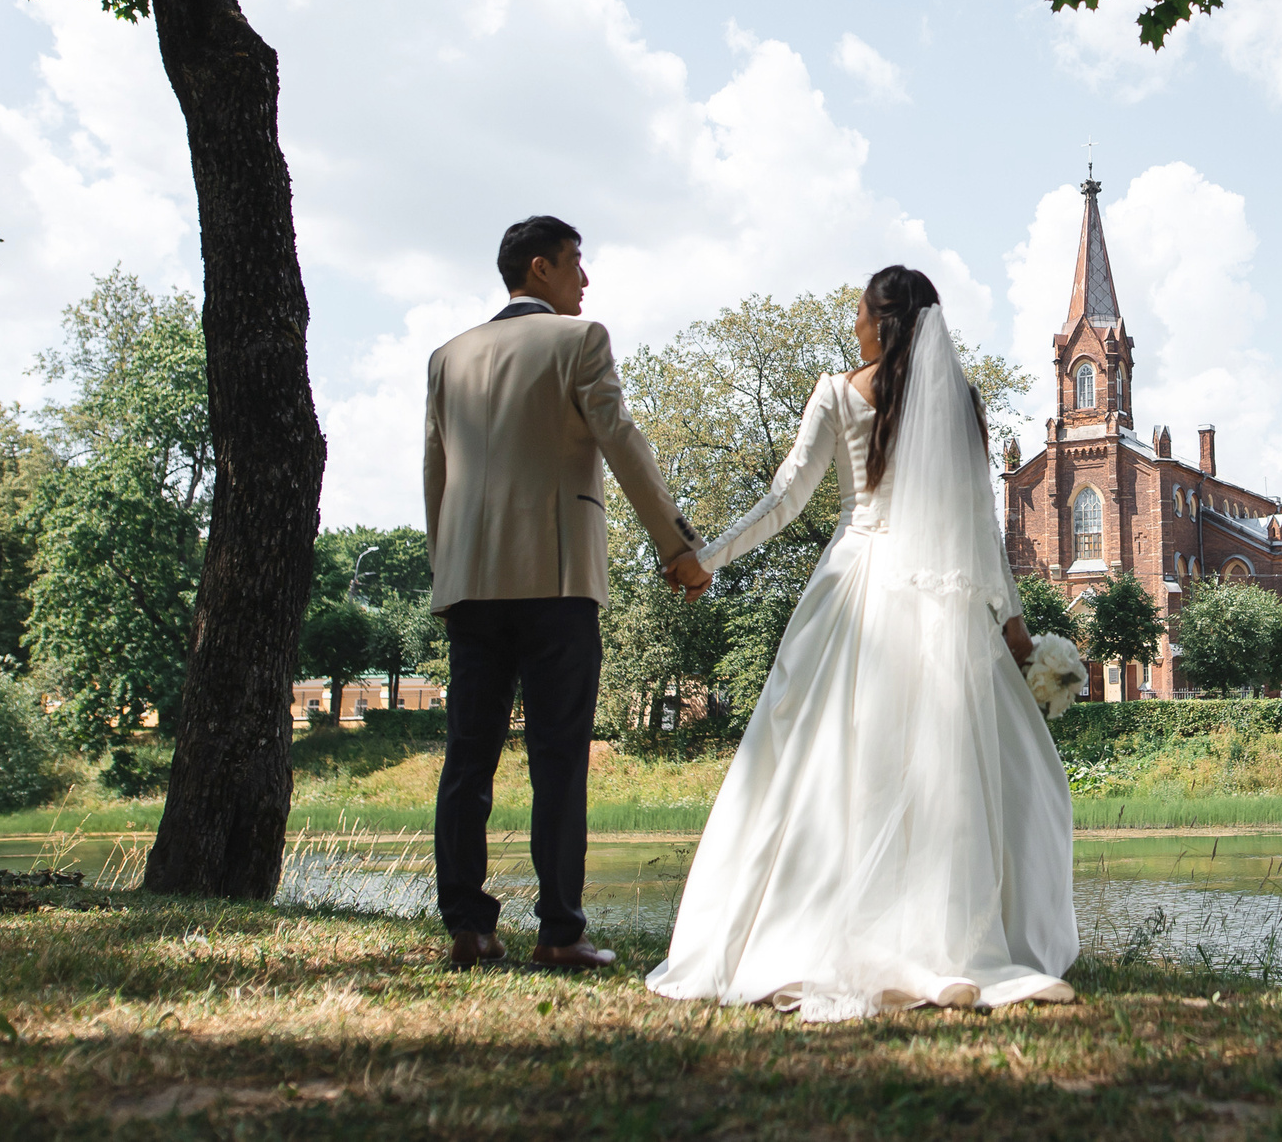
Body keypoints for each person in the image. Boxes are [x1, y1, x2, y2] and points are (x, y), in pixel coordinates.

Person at [649, 265, 1078, 1017]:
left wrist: (707, 558)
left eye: (857, 311)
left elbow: (786, 498)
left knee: (830, 760)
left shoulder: (838, 391)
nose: (850, 323)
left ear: (882, 320)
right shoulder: (958, 402)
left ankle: (818, 928)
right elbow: (981, 526)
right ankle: (943, 934)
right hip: (934, 601)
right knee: (936, 768)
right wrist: (1013, 628)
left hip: (854, 586)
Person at [424, 215, 709, 971]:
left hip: (470, 585)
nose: (586, 280)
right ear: (541, 267)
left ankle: (468, 925)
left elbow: (437, 477)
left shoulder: (446, 356)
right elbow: (623, 443)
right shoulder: (579, 341)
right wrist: (677, 545)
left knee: (467, 756)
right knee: (559, 758)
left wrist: (443, 573)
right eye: (578, 264)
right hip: (555, 579)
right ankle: (559, 930)